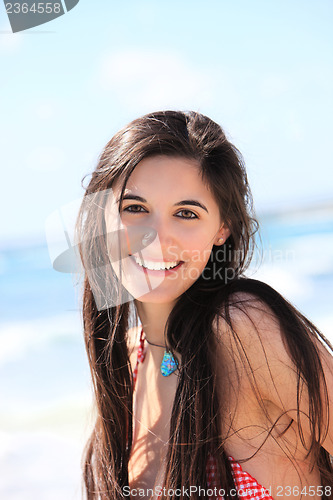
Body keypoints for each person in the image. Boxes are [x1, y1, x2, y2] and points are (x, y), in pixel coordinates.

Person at [76, 110, 333, 500]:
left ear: (222, 228)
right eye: (135, 208)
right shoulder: (128, 359)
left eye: (185, 213)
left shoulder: (242, 327)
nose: (156, 239)